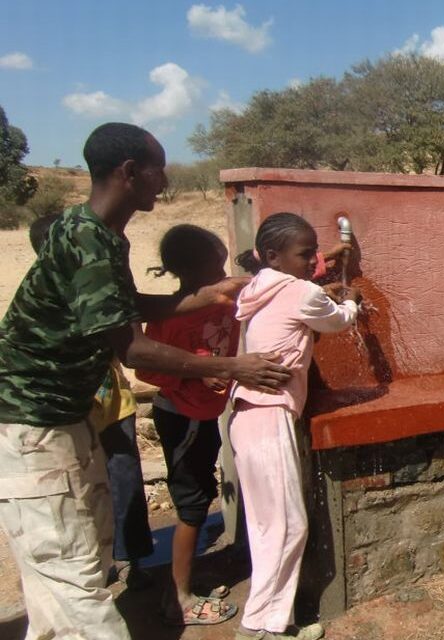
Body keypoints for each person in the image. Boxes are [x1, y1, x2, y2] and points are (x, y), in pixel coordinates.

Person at [0, 122, 289, 640]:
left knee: (72, 568)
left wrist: (202, 297)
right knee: (75, 588)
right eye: (158, 169)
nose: (164, 180)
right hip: (33, 423)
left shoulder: (95, 232)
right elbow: (132, 347)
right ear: (130, 172)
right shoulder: (90, 238)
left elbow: (121, 306)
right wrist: (232, 367)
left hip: (62, 416)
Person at [230, 212, 361, 640]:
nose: (314, 261)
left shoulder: (259, 285)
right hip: (270, 418)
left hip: (247, 417)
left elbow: (304, 291)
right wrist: (351, 300)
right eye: (306, 254)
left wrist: (326, 279)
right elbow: (337, 321)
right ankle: (260, 625)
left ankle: (271, 620)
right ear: (273, 255)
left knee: (270, 523)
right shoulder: (301, 292)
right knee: (287, 525)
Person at [29, 214, 155, 592]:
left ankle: (131, 560)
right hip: (71, 412)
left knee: (125, 482)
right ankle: (95, 565)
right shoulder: (45, 296)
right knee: (80, 490)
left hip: (114, 403)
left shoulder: (97, 285)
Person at [134, 224, 241, 626]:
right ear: (192, 273)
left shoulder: (224, 303)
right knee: (193, 504)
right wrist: (195, 376)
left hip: (202, 415)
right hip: (181, 415)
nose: (224, 272)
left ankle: (181, 582)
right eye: (217, 266)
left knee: (200, 494)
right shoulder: (170, 317)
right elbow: (144, 368)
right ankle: (178, 599)